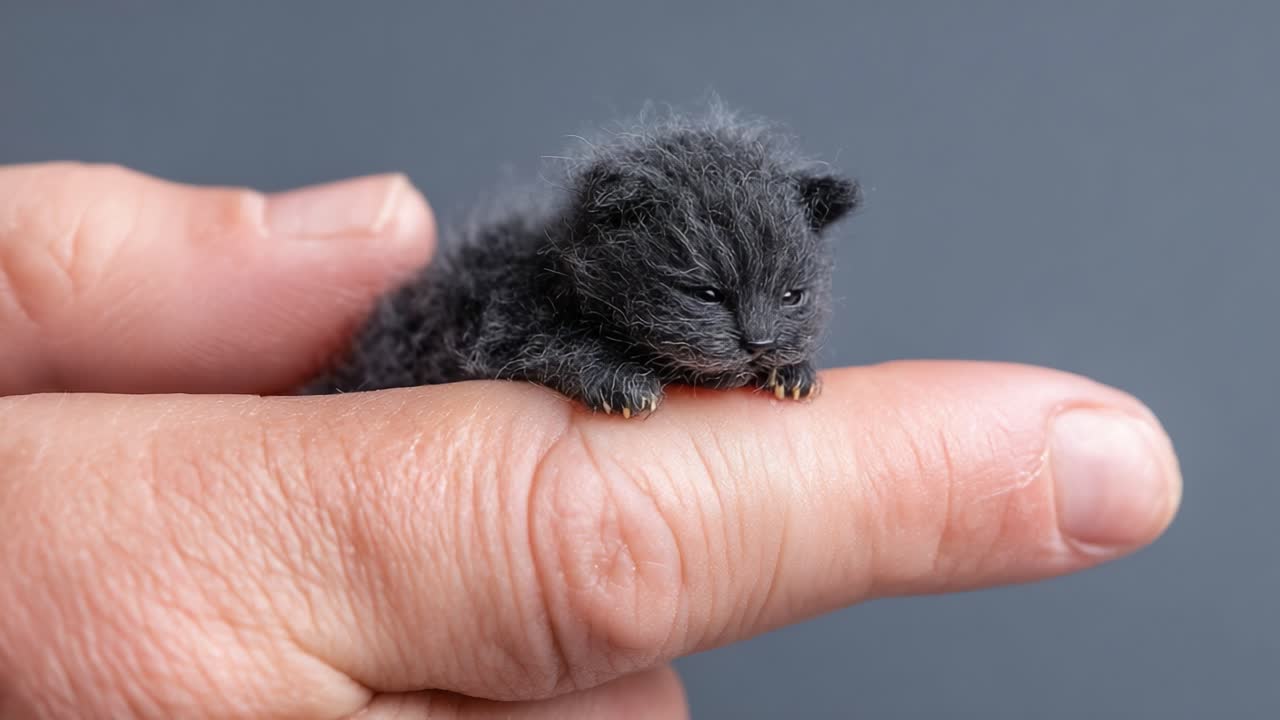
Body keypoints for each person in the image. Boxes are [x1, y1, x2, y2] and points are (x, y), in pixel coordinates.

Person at [0, 162, 1182, 719]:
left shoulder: (754, 304)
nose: (750, 333)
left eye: (780, 304)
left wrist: (770, 360)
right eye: (713, 306)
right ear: (602, 238)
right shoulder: (524, 283)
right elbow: (499, 339)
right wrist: (587, 375)